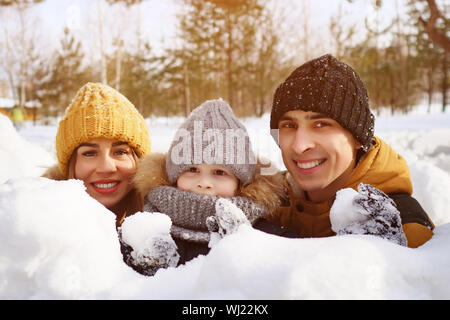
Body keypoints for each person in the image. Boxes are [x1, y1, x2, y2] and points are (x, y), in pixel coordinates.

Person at [268, 54, 434, 248]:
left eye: (321, 124)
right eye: (289, 125)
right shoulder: (268, 206)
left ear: (357, 138)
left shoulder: (403, 231)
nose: (299, 145)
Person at [120, 99, 297, 276]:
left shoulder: (273, 241)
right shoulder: (139, 235)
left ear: (241, 184)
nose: (204, 182)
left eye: (219, 172)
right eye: (192, 169)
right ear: (173, 177)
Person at [42, 82, 151, 227]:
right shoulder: (39, 231)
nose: (106, 167)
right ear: (71, 164)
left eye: (120, 152)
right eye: (89, 153)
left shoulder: (170, 226)